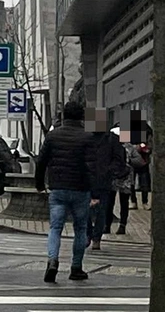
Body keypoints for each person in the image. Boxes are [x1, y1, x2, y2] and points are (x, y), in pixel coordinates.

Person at [35, 101, 95, 282]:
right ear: (81, 117)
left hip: (58, 188)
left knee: (55, 227)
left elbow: (41, 161)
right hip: (80, 189)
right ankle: (76, 267)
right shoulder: (88, 137)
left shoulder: (53, 136)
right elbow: (93, 167)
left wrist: (39, 184)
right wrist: (97, 191)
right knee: (81, 228)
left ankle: (52, 260)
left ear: (64, 116)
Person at [89, 109, 127, 252]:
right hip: (90, 179)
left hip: (102, 180)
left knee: (102, 210)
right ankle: (90, 234)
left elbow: (119, 160)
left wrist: (109, 171)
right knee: (89, 210)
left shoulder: (111, 139)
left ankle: (96, 238)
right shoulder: (87, 138)